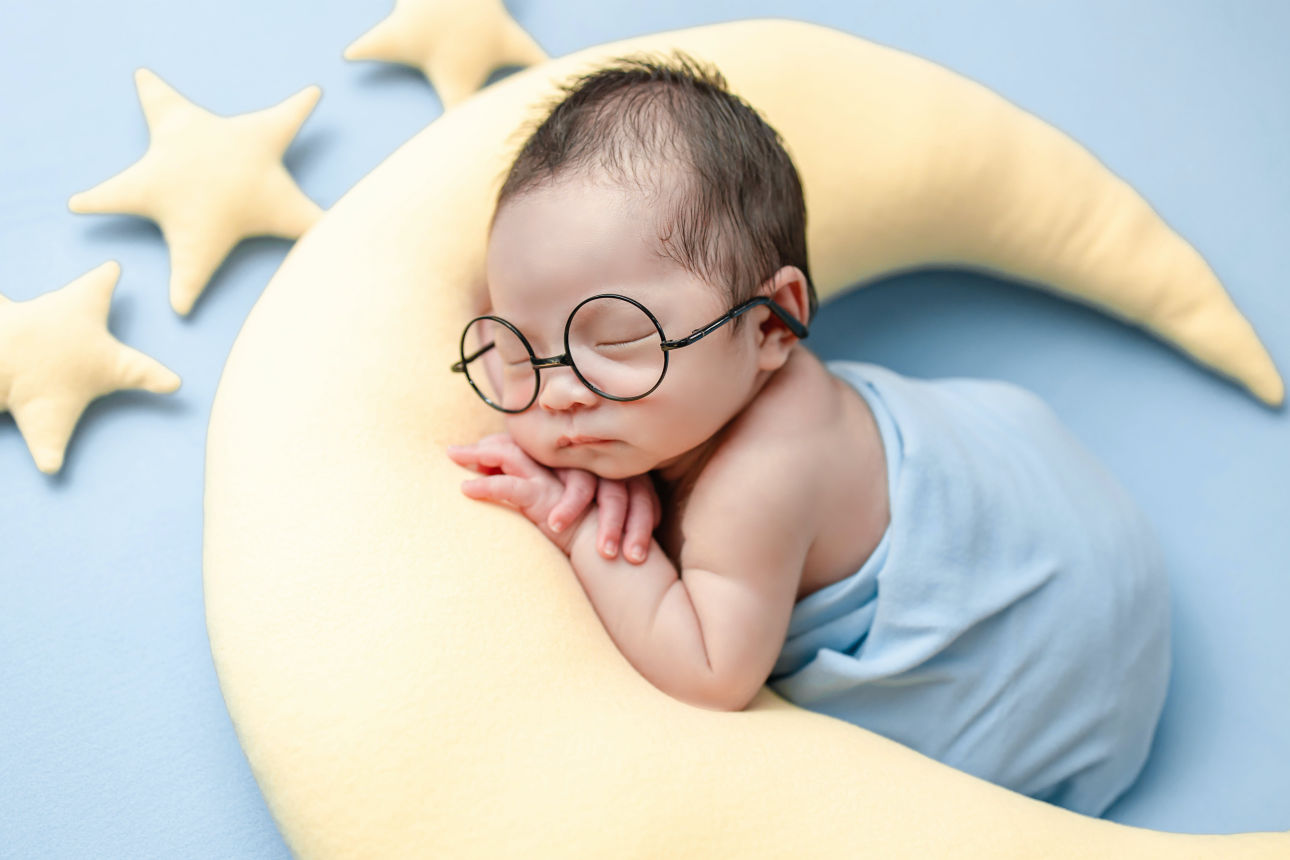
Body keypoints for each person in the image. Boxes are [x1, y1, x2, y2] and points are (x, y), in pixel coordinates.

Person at [445, 51, 1170, 817]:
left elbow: (711, 671)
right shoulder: (676, 409)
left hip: (1054, 654)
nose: (555, 394)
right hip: (1045, 489)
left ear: (770, 324)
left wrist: (589, 532)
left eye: (620, 342)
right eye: (517, 348)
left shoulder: (760, 478)